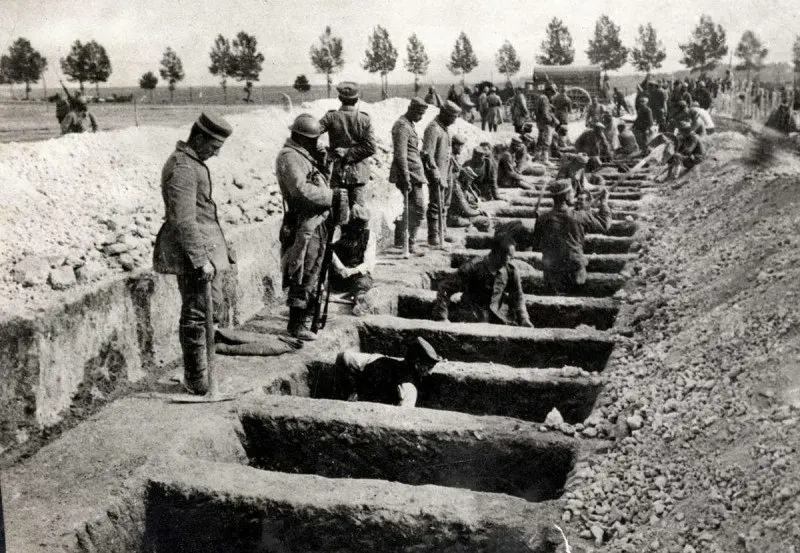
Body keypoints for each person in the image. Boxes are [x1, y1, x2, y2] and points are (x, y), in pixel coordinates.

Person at [153, 112, 235, 394]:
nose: (215, 154)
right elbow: (184, 220)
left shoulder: (192, 163)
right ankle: (196, 377)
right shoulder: (183, 168)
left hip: (205, 254)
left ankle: (202, 373)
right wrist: (200, 260)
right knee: (196, 314)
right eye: (213, 148)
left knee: (206, 311)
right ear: (199, 138)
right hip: (193, 256)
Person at [277, 113, 347, 341]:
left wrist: (324, 163)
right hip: (304, 223)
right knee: (303, 271)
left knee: (316, 270)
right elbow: (300, 192)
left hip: (317, 222)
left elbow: (318, 182)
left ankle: (307, 319)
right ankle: (296, 324)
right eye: (313, 139)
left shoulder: (304, 156)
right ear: (301, 138)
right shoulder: (290, 158)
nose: (317, 143)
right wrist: (331, 195)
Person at [530, 179, 612, 294]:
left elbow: (536, 245)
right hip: (575, 273)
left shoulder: (543, 219)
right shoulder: (581, 216)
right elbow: (604, 224)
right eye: (572, 192)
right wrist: (604, 203)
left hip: (552, 276)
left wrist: (540, 223)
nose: (574, 195)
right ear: (566, 196)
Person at [433, 234, 533, 327]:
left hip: (501, 317)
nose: (511, 260)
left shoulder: (511, 270)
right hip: (472, 317)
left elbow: (517, 296)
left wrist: (524, 318)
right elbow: (445, 287)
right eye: (509, 256)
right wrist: (442, 317)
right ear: (497, 254)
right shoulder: (472, 267)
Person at [334, 337, 441, 407]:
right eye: (429, 367)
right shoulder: (409, 389)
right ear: (417, 364)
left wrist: (351, 389)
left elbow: (343, 356)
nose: (430, 372)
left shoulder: (378, 358)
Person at [318, 81, 376, 208]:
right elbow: (371, 147)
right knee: (358, 214)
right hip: (358, 175)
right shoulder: (364, 119)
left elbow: (311, 133)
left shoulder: (331, 117)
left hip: (337, 172)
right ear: (356, 99)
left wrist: (326, 152)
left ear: (339, 98)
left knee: (337, 213)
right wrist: (350, 152)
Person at [390, 98, 429, 253]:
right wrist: (406, 177)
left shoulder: (409, 125)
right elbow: (400, 155)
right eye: (419, 113)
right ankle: (409, 243)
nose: (420, 117)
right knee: (419, 209)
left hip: (415, 174)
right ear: (410, 109)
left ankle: (403, 238)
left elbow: (410, 150)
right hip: (408, 175)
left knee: (413, 208)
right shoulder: (401, 126)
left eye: (422, 114)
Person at [422, 100, 460, 247]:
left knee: (445, 204)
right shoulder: (433, 128)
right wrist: (434, 172)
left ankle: (442, 230)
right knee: (435, 205)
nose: (454, 120)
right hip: (437, 172)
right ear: (445, 114)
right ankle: (433, 236)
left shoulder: (444, 127)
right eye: (453, 117)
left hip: (446, 171)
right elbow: (427, 154)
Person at [329, 204, 376, 313]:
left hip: (356, 275)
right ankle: (360, 300)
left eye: (363, 226)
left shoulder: (369, 236)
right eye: (357, 225)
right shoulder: (340, 230)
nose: (360, 229)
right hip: (338, 274)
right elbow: (329, 250)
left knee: (363, 281)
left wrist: (352, 271)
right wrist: (340, 268)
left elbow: (368, 263)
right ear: (351, 221)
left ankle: (361, 302)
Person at [535, 84, 559, 167]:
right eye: (552, 93)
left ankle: (537, 158)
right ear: (548, 91)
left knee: (540, 140)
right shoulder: (544, 99)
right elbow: (545, 113)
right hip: (545, 123)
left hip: (540, 122)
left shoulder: (541, 97)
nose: (552, 96)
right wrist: (552, 121)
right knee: (546, 142)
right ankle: (545, 160)